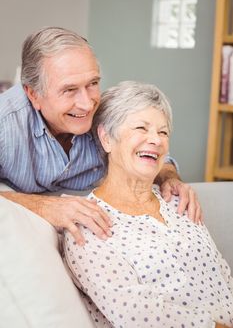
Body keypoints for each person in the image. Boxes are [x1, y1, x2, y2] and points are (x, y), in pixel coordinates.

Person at [0, 27, 201, 244]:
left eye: (93, 84)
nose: (87, 104)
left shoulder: (104, 117)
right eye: (69, 90)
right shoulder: (6, 123)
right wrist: (43, 205)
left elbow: (147, 150)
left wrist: (170, 177)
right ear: (33, 94)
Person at [63, 81, 233, 328]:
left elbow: (222, 277)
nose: (156, 140)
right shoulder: (89, 224)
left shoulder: (178, 200)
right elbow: (137, 315)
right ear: (106, 138)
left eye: (163, 132)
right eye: (141, 128)